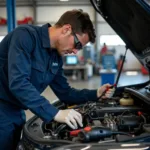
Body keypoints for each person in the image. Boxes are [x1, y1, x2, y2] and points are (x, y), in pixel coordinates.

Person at [0, 9, 114, 150]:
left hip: (17, 111)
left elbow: (65, 93)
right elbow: (18, 83)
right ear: (66, 29)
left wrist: (96, 93)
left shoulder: (56, 58)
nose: (75, 52)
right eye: (77, 45)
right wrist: (55, 113)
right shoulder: (25, 36)